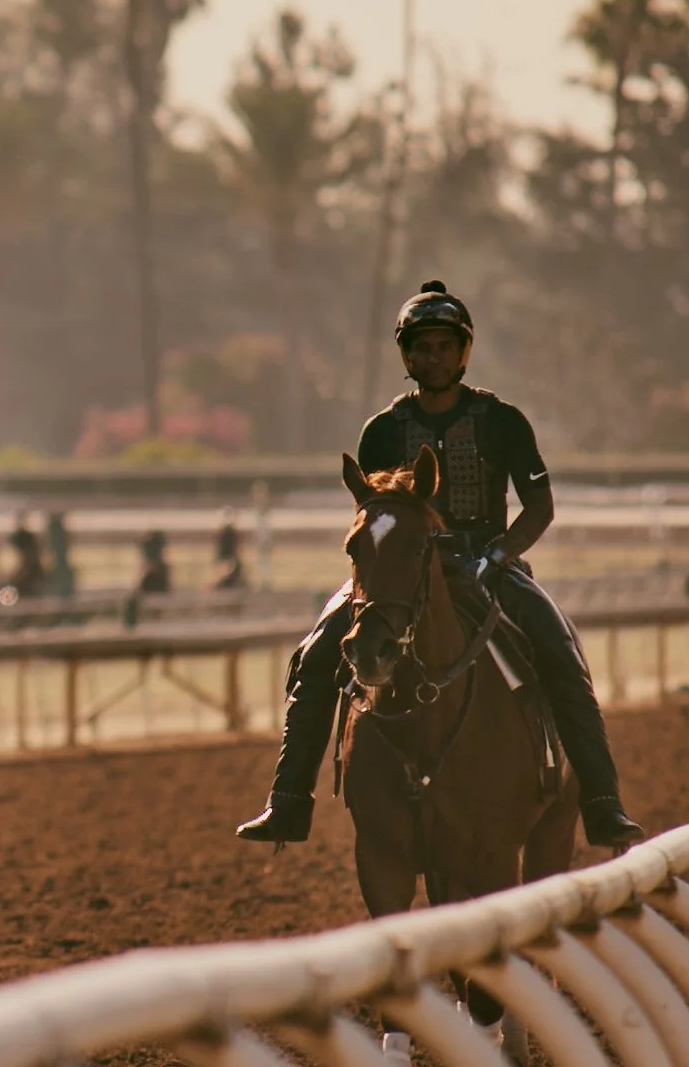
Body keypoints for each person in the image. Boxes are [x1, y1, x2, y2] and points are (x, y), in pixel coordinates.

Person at [236, 280, 645, 850]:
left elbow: (540, 508)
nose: (433, 357)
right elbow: (375, 515)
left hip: (490, 565)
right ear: (407, 356)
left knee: (560, 649)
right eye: (422, 348)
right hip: (402, 573)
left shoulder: (503, 420)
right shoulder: (381, 430)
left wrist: (496, 556)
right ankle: (288, 802)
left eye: (443, 347)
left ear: (463, 351)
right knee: (316, 653)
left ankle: (602, 805)